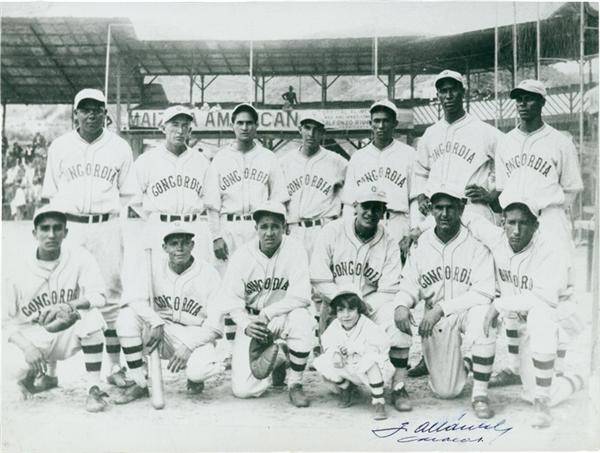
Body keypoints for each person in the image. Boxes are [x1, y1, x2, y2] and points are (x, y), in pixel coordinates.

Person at [452, 195, 585, 428]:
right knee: (499, 307)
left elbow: (542, 299)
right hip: (522, 316)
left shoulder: (550, 250)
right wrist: (417, 231)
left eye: (523, 223)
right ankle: (501, 379)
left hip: (558, 316)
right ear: (502, 222)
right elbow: (465, 215)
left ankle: (564, 387)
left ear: (536, 225)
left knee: (536, 316)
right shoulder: (496, 237)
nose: (516, 229)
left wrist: (499, 305)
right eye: (511, 222)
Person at [41, 88, 140, 388]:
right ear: (76, 114)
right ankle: (51, 372)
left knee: (109, 294)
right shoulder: (59, 146)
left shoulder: (120, 147)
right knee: (60, 290)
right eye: (85, 109)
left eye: (98, 108)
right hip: (69, 226)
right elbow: (51, 193)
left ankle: (113, 366)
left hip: (106, 225)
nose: (92, 114)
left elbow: (128, 193)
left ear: (105, 113)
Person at [392, 184, 497, 418]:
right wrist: (401, 304)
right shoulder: (421, 245)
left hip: (466, 312)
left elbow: (484, 292)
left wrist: (442, 308)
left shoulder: (476, 243)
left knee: (484, 318)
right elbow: (409, 284)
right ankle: (467, 362)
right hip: (436, 321)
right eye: (439, 207)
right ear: (431, 210)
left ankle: (480, 394)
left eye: (451, 207)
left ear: (461, 209)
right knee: (447, 391)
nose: (444, 213)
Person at [310, 185, 411, 412]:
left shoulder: (389, 240)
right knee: (331, 364)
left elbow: (389, 288)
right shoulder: (332, 231)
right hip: (338, 306)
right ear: (355, 207)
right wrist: (342, 303)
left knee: (398, 321)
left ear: (384, 211)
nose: (370, 213)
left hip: (371, 305)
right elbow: (318, 277)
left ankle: (398, 386)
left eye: (377, 208)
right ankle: (347, 385)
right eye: (366, 206)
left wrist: (365, 307)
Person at [2, 205, 109, 412]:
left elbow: (99, 296)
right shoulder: (16, 267)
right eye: (45, 228)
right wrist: (27, 347)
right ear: (35, 233)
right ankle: (36, 376)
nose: (51, 234)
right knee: (7, 367)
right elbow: (3, 321)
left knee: (93, 317)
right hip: (33, 335)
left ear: (66, 232)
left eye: (57, 228)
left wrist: (69, 305)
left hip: (67, 330)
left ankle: (93, 388)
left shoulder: (80, 257)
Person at [114, 222, 225, 403]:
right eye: (174, 243)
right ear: (165, 247)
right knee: (126, 318)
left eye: (184, 242)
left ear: (192, 245)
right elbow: (132, 299)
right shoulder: (152, 267)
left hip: (194, 335)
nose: (179, 248)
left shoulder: (209, 274)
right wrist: (155, 321)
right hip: (160, 331)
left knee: (199, 371)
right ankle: (139, 383)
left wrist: (189, 346)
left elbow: (215, 327)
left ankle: (194, 377)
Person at [220, 201, 315, 407]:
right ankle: (279, 356)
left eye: (275, 226)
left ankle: (295, 384)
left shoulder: (295, 249)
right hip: (253, 321)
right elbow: (231, 300)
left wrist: (269, 312)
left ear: (285, 228)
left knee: (302, 318)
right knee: (244, 391)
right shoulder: (242, 255)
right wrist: (246, 324)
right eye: (264, 226)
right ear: (256, 229)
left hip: (284, 315)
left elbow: (302, 296)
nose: (269, 232)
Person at [414, 70, 503, 223]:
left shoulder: (485, 131)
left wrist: (493, 193)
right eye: (443, 91)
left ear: (463, 92)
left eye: (453, 89)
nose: (448, 96)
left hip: (472, 209)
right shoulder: (430, 133)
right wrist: (421, 196)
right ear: (438, 95)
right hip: (438, 212)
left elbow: (510, 163)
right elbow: (420, 172)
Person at [130, 105, 212, 263]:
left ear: (190, 131)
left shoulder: (201, 161)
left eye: (185, 125)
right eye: (174, 124)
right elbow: (133, 197)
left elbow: (210, 198)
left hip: (192, 226)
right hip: (160, 227)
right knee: (158, 279)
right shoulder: (147, 160)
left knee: (194, 278)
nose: (180, 131)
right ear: (162, 128)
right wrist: (154, 217)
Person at [343, 100, 420, 248]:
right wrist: (348, 231)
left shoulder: (409, 154)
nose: (381, 126)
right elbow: (349, 202)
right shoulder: (358, 157)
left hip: (397, 222)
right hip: (366, 225)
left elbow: (414, 198)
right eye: (377, 121)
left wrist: (414, 228)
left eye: (386, 121)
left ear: (395, 123)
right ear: (370, 123)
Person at [313, 291, 393, 420]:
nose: (346, 315)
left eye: (351, 309)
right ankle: (346, 387)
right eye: (341, 310)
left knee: (371, 361)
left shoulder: (367, 325)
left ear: (359, 309)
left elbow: (381, 345)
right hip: (348, 366)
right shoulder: (335, 325)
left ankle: (378, 401)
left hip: (370, 370)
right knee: (324, 361)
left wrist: (357, 350)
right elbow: (328, 341)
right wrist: (335, 353)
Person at [280, 111, 346, 258]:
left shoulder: (337, 162)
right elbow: (278, 200)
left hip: (323, 228)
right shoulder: (284, 162)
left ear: (323, 132)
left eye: (316, 129)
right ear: (300, 129)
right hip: (294, 230)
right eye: (307, 128)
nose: (311, 133)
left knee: (323, 277)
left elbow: (353, 194)